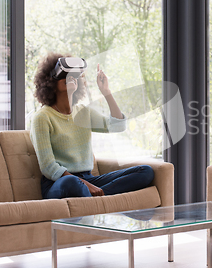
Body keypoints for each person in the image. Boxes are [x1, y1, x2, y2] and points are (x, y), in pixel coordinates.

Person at [30, 52, 154, 199]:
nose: (70, 78)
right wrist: (86, 185)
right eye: (64, 75)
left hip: (88, 179)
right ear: (49, 81)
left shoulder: (83, 112)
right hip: (59, 182)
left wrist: (106, 92)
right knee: (72, 182)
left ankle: (93, 197)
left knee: (145, 171)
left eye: (73, 75)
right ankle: (95, 197)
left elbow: (117, 126)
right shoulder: (42, 117)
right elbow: (49, 167)